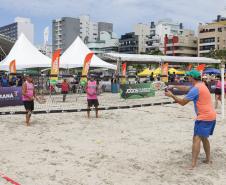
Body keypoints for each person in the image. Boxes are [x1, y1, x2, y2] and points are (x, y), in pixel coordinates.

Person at [165, 69, 216, 169]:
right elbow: (186, 87)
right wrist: (174, 86)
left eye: (188, 76)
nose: (187, 77)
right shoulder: (201, 85)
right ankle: (208, 159)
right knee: (204, 138)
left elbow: (182, 103)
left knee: (196, 139)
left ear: (192, 78)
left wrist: (172, 95)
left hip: (204, 117)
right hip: (212, 116)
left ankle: (192, 164)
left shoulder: (195, 89)